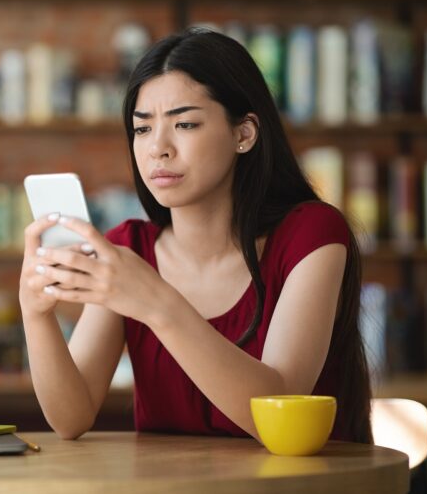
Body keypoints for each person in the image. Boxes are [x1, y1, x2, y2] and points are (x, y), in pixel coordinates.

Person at [19, 28, 372, 444]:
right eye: (143, 129)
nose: (158, 149)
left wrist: (157, 303)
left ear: (244, 134)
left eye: (184, 124)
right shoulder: (128, 249)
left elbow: (278, 418)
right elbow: (71, 417)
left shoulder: (311, 234)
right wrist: (35, 313)